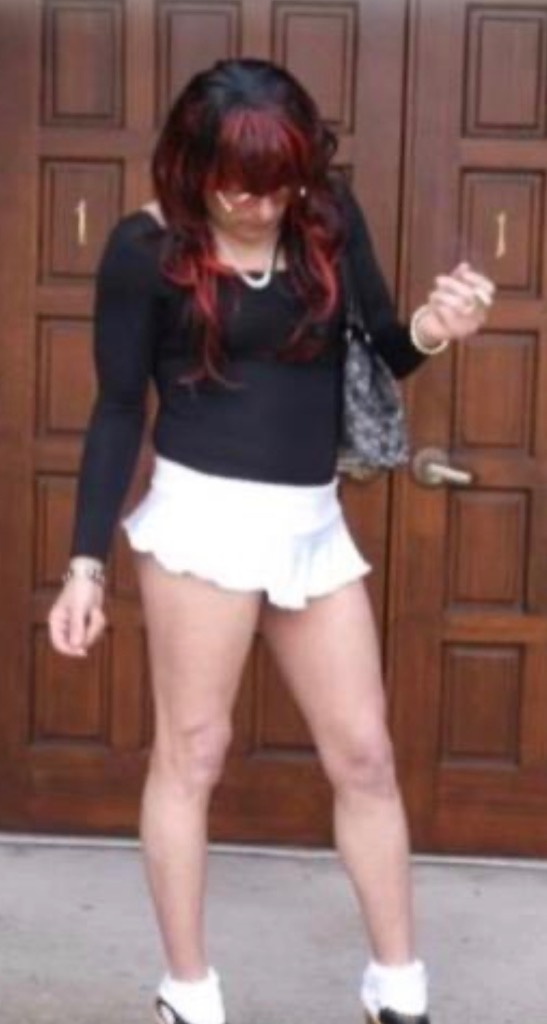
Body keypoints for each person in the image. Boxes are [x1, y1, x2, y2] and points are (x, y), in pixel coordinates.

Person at [47, 58, 494, 1024]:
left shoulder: (324, 216)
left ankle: (397, 988)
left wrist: (434, 325)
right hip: (200, 521)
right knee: (194, 753)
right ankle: (189, 992)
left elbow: (384, 344)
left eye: (279, 183)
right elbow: (119, 407)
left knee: (365, 755)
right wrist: (84, 564)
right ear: (192, 166)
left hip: (310, 523)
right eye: (238, 187)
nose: (260, 206)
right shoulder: (145, 251)